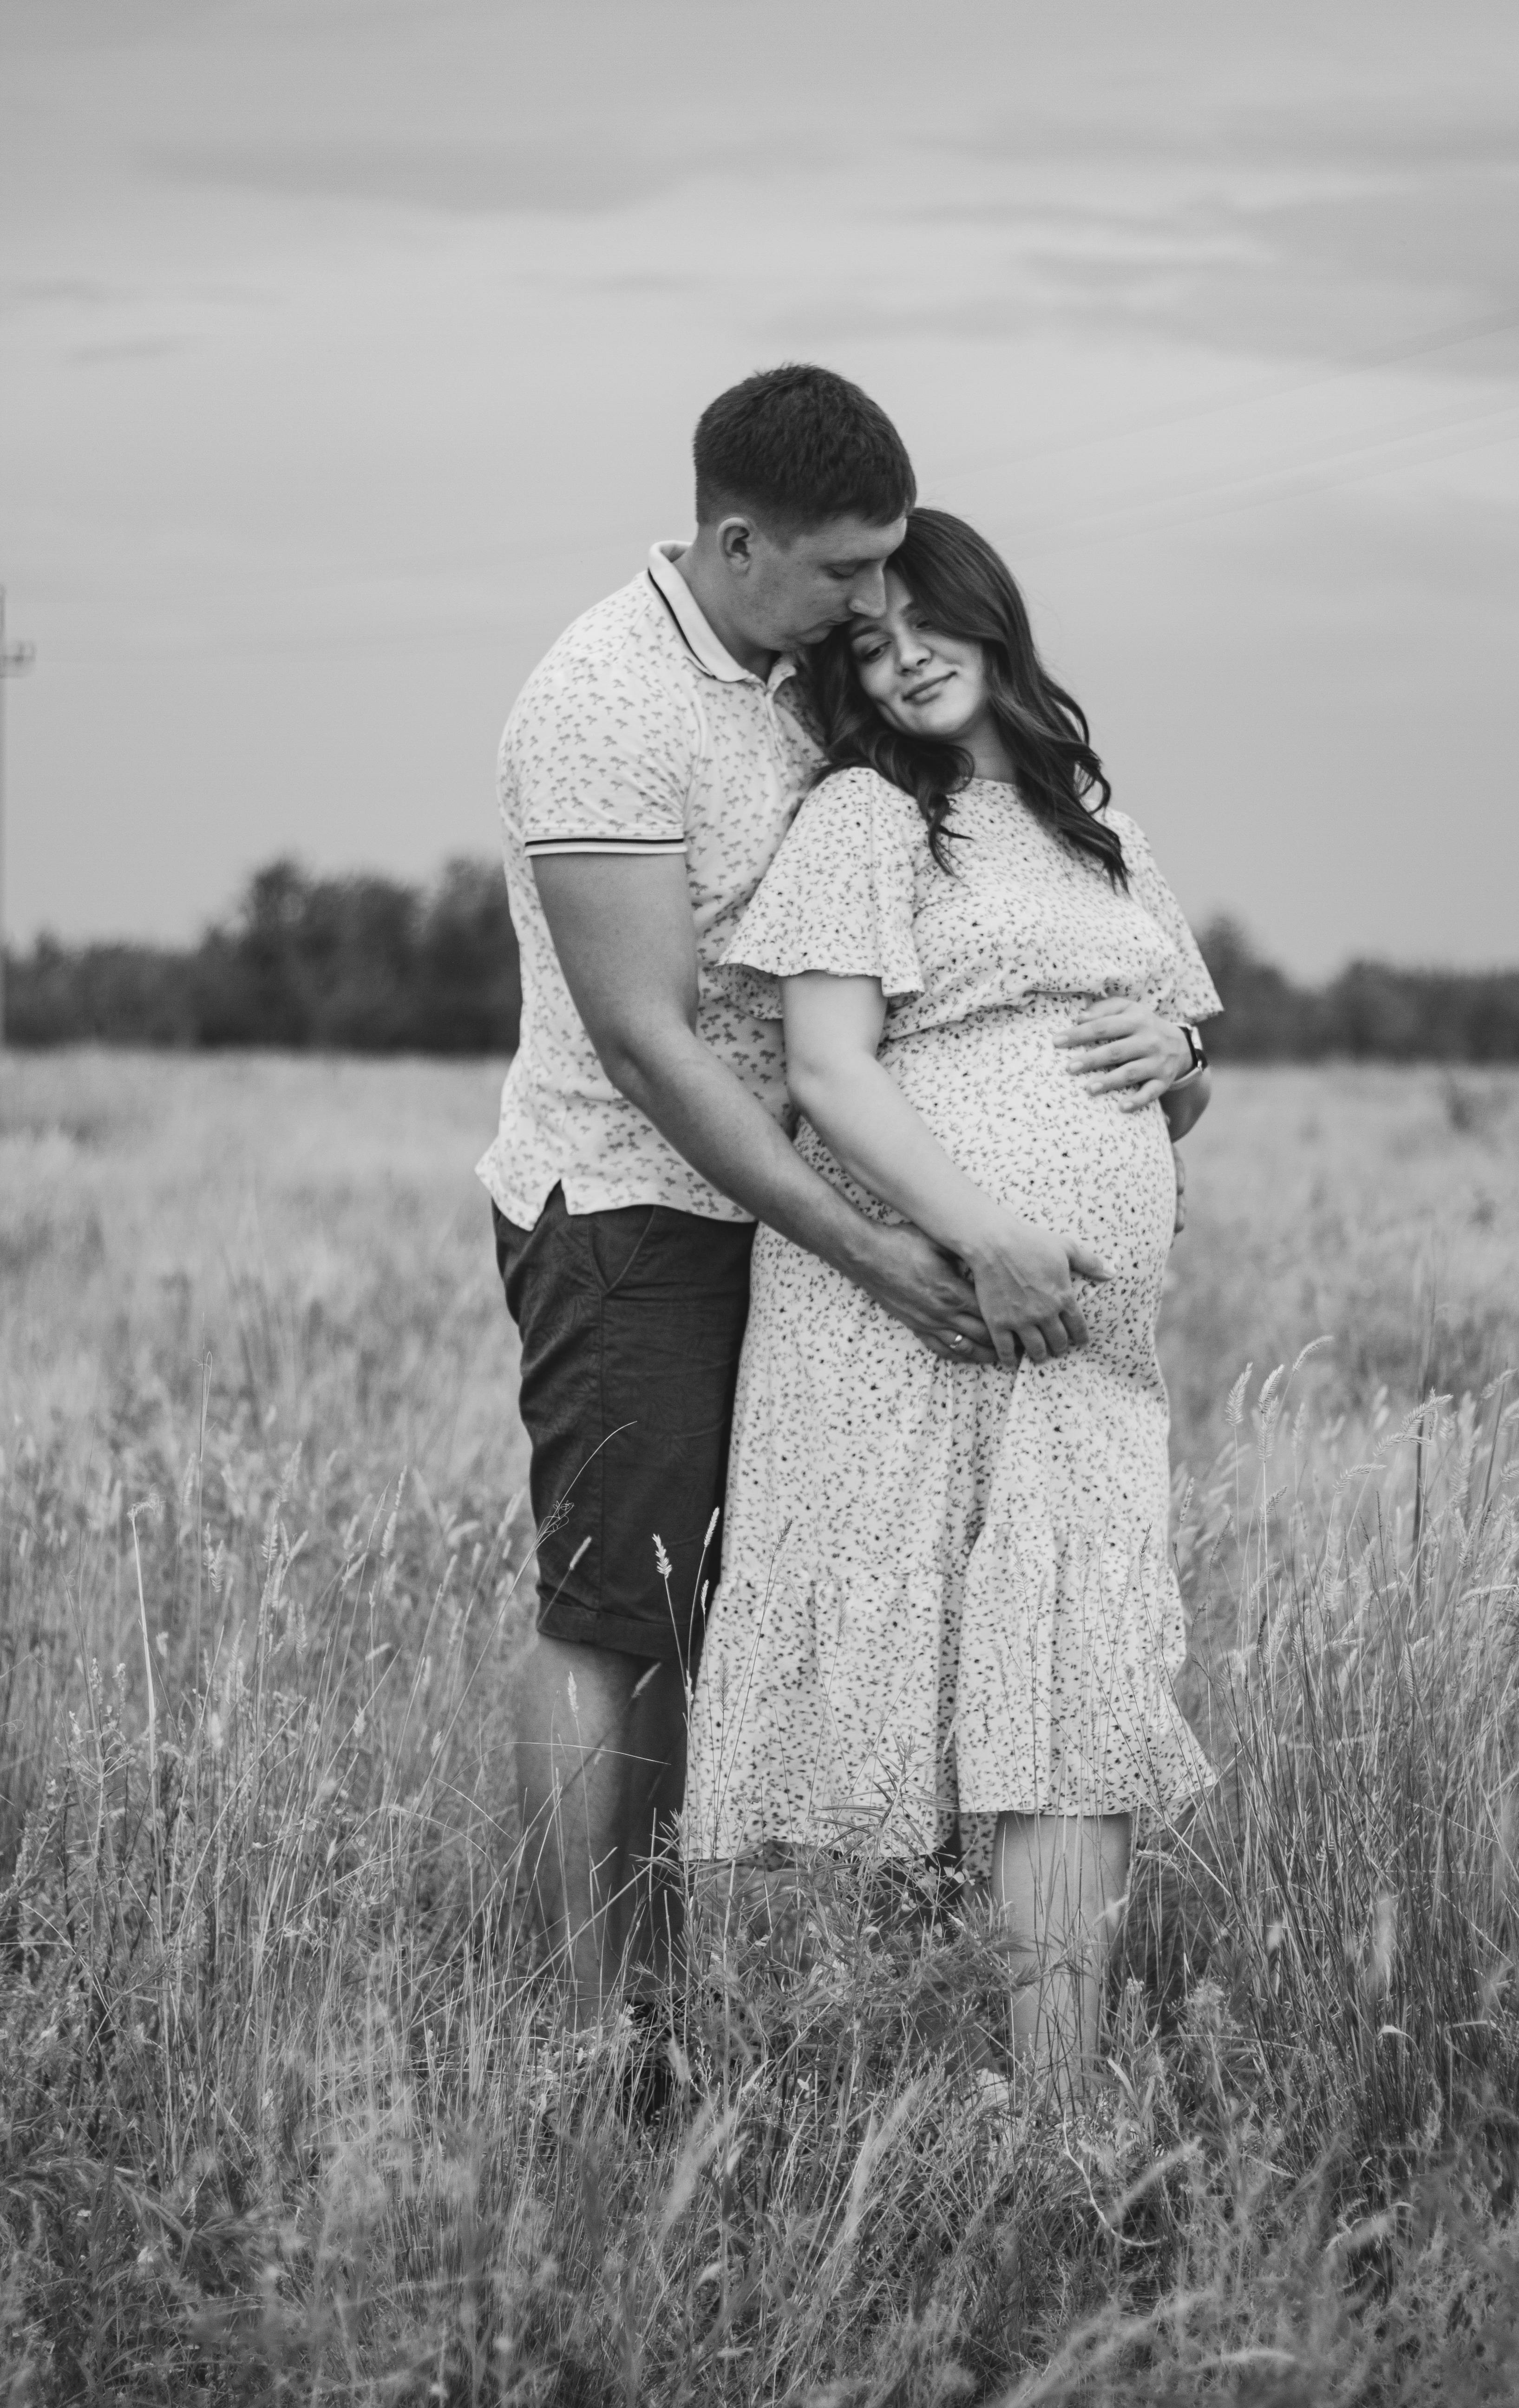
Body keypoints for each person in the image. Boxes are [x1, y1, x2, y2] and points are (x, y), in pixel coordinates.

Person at [479, 368, 999, 2020]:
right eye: (849, 571)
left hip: (768, 1219)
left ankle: (670, 1988)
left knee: (715, 1612)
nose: (875, 605)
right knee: (618, 1613)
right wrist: (868, 1246)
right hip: (632, 1215)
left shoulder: (796, 676)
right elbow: (646, 1043)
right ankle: (594, 2018)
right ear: (738, 539)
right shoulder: (606, 701)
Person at [683, 507, 1221, 2096]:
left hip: (1084, 1352)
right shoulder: (863, 816)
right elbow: (831, 1075)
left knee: (1070, 1689)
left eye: (929, 623)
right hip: (904, 1321)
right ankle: (845, 2090)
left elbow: (1177, 1053)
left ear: (995, 624)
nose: (902, 654)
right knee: (893, 1683)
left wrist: (1187, 1064)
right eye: (869, 637)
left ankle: (1050, 2107)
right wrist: (985, 1234)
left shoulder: (1093, 819)